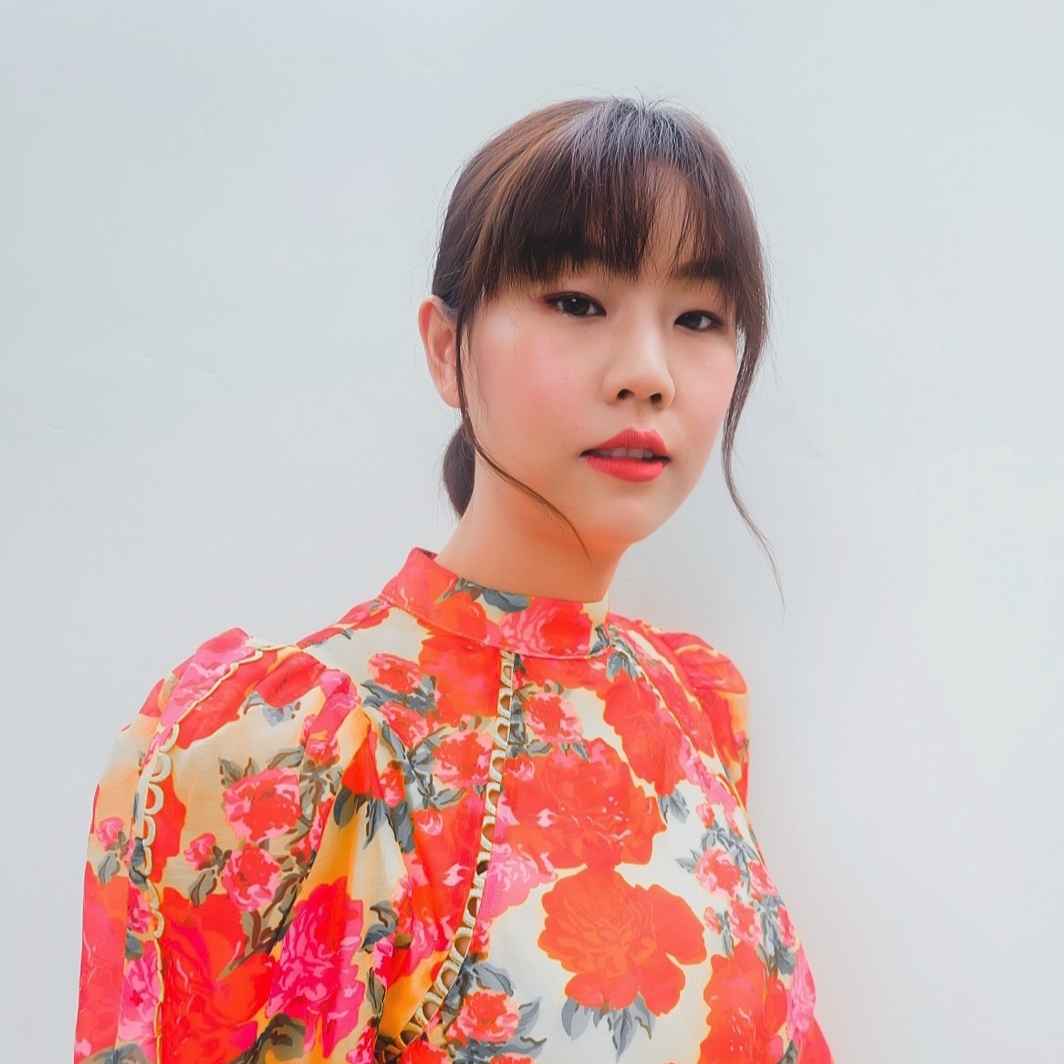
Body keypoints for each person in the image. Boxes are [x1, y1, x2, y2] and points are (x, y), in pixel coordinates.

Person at [74, 97, 833, 1064]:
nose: (649, 374)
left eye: (699, 318)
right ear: (445, 347)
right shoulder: (291, 746)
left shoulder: (695, 707)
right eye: (577, 302)